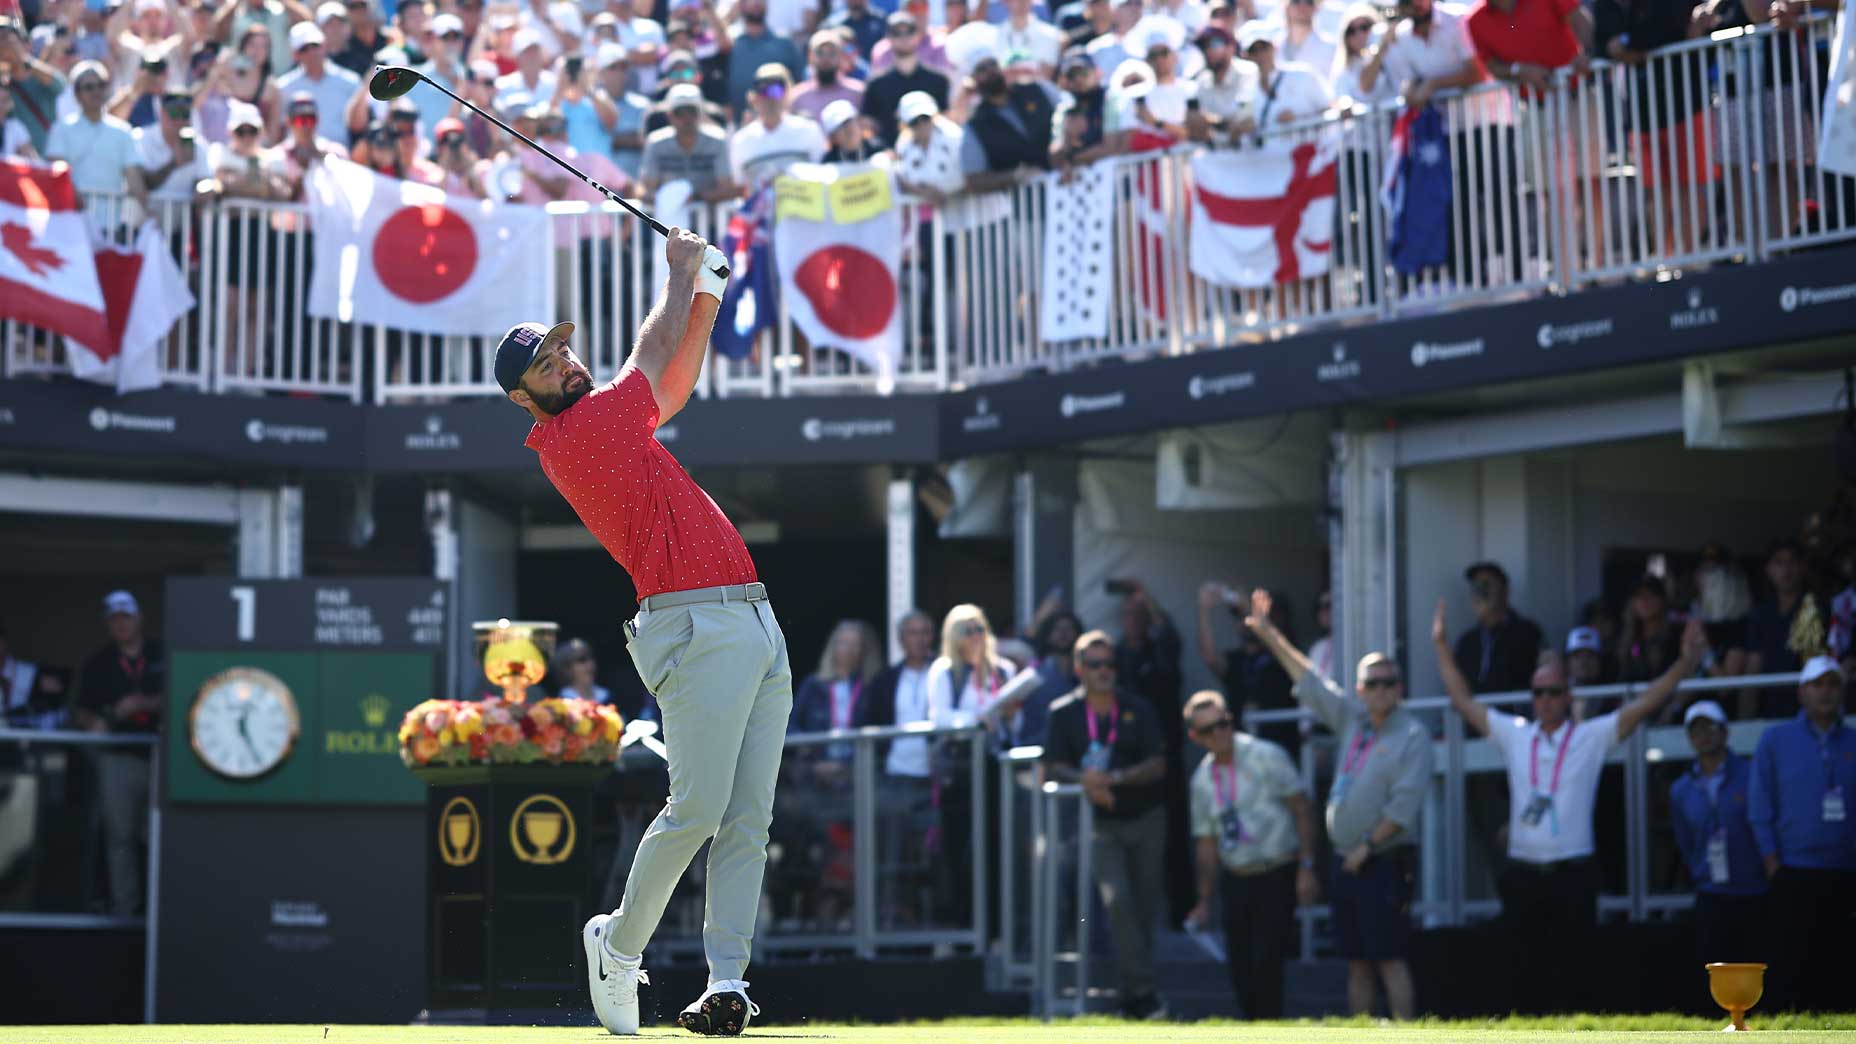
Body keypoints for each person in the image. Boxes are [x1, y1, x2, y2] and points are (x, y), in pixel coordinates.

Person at [499, 229, 782, 1037]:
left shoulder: (606, 419)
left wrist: (702, 289)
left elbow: (668, 370)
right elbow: (661, 357)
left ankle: (727, 983)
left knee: (747, 818)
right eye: (544, 368)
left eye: (560, 353)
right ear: (525, 399)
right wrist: (685, 278)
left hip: (752, 619)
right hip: (695, 624)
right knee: (695, 810)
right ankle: (618, 947)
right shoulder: (575, 435)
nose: (563, 366)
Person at [1434, 601, 1705, 1013]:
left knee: (1575, 976)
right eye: (1538, 692)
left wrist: (1685, 665)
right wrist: (1439, 645)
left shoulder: (1589, 737)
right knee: (1524, 975)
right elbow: (1463, 701)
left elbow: (1645, 704)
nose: (1545, 700)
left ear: (1568, 695)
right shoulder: (1515, 734)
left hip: (1574, 873)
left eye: (1553, 692)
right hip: (1524, 873)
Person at [1245, 587, 1428, 1020]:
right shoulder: (1353, 719)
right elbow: (1307, 677)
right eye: (1372, 683)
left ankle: (1407, 1031)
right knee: (1357, 960)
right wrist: (1270, 635)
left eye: (1388, 682)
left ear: (1399, 688)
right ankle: (1360, 1032)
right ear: (1360, 689)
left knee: (1389, 957)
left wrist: (1366, 845)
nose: (1381, 690)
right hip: (1347, 860)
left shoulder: (1412, 734)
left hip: (1382, 859)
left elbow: (1404, 807)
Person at [1042, 629, 1169, 1020]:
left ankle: (1132, 996)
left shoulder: (1138, 707)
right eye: (1095, 664)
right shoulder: (1063, 712)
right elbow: (1053, 766)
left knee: (1144, 909)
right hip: (1099, 825)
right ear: (1079, 668)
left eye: (1110, 664)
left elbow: (1158, 764)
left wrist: (1113, 779)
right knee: (1119, 903)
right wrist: (1086, 781)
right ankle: (1144, 995)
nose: (1104, 672)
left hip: (1145, 818)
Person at [1182, 689, 1319, 1019]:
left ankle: (1269, 1028)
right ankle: (1253, 1027)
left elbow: (1302, 808)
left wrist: (1307, 866)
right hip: (1237, 875)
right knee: (1240, 964)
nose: (1220, 732)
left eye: (1224, 722)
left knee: (1267, 959)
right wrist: (1204, 898)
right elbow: (1206, 841)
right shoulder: (1202, 779)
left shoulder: (1266, 755)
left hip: (1277, 869)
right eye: (1209, 729)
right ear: (1195, 736)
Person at [1748, 655, 1856, 1013]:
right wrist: (1772, 864)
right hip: (1793, 869)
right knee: (1790, 965)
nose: (1825, 692)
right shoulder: (1776, 739)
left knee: (1841, 966)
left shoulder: (1854, 740)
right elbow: (1760, 805)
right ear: (1801, 692)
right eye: (1817, 684)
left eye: (1832, 684)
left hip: (1845, 871)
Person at [925, 603, 1021, 926]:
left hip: (995, 770)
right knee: (958, 851)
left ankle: (994, 930)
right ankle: (960, 927)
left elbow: (1013, 726)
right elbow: (940, 718)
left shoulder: (1002, 669)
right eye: (968, 630)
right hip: (960, 773)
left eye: (980, 628)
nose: (976, 636)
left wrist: (1008, 716)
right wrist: (976, 721)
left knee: (995, 849)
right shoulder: (944, 670)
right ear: (954, 635)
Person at [74, 591, 165, 917]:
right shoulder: (98, 662)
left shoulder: (163, 653)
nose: (121, 624)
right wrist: (95, 722)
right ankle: (126, 908)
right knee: (119, 835)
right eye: (114, 619)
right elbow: (81, 711)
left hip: (162, 758)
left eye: (126, 617)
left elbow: (186, 695)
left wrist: (142, 704)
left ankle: (162, 910)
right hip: (118, 757)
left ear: (139, 618)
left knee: (159, 835)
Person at [1668, 700, 1765, 968]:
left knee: (1754, 970)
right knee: (1712, 972)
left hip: (1753, 890)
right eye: (1696, 730)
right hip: (1709, 893)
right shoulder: (1680, 789)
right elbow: (1685, 840)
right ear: (1689, 738)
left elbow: (1765, 825)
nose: (1704, 735)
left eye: (1711, 727)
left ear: (1725, 732)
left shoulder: (1751, 774)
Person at [45, 59, 145, 206]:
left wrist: (148, 210)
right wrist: (78, 204)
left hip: (110, 225)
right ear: (77, 94)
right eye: (89, 87)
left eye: (101, 85)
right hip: (73, 221)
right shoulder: (61, 129)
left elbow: (133, 176)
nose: (96, 91)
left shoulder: (123, 131)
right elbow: (56, 173)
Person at [860, 11, 950, 148]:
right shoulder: (876, 85)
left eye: (909, 31)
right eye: (897, 33)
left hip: (934, 155)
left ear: (918, 35)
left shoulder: (938, 80)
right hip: (892, 157)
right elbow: (867, 126)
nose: (904, 37)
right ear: (888, 38)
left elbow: (947, 120)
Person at [1452, 561, 1545, 694]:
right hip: (1475, 713)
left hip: (1513, 713)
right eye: (1475, 587)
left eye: (1486, 585)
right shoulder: (1466, 642)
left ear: (1505, 590)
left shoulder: (1528, 633)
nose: (1480, 592)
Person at [729, 63, 826, 189]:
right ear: (753, 97)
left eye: (776, 89)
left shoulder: (809, 130)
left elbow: (822, 175)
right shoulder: (741, 140)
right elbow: (741, 186)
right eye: (763, 89)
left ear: (788, 93)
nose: (770, 98)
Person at [1743, 540, 1809, 718]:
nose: (1786, 570)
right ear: (1768, 570)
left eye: (1792, 562)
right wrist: (1746, 718)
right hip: (1769, 708)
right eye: (1779, 562)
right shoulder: (1761, 614)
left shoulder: (1818, 609)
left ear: (1802, 567)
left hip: (1808, 709)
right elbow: (1753, 667)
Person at [639, 83, 737, 201]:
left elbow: (727, 187)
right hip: (665, 217)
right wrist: (670, 199)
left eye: (692, 111)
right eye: (679, 112)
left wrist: (696, 197)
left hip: (712, 217)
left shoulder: (718, 141)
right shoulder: (656, 143)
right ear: (669, 116)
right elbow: (645, 188)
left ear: (701, 114)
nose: (687, 118)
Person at [273, 20, 357, 146]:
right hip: (299, 161)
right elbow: (278, 130)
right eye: (304, 49)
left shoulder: (350, 82)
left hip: (341, 159)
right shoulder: (283, 87)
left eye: (315, 46)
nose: (312, 53)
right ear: (295, 55)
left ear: (324, 46)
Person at [788, 28, 864, 124]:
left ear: (841, 56)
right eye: (820, 53)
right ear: (810, 57)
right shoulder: (797, 97)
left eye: (832, 53)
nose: (826, 59)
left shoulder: (858, 93)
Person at [552, 638, 615, 704]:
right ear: (566, 669)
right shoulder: (560, 703)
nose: (590, 665)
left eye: (591, 658)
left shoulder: (608, 697)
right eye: (581, 660)